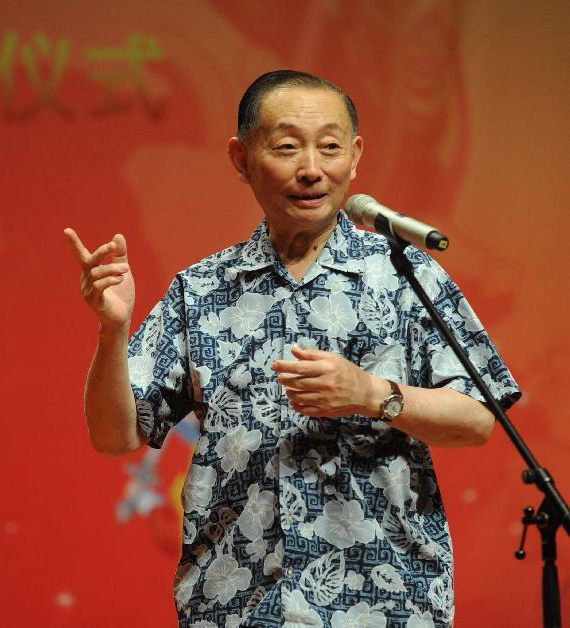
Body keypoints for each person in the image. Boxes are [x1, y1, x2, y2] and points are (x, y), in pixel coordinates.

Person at [64, 70, 519, 628]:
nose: (311, 168)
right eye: (286, 147)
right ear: (241, 158)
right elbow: (116, 435)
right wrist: (113, 332)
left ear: (354, 158)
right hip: (236, 604)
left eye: (329, 147)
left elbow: (477, 419)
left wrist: (373, 393)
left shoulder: (406, 275)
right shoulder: (201, 290)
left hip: (387, 603)